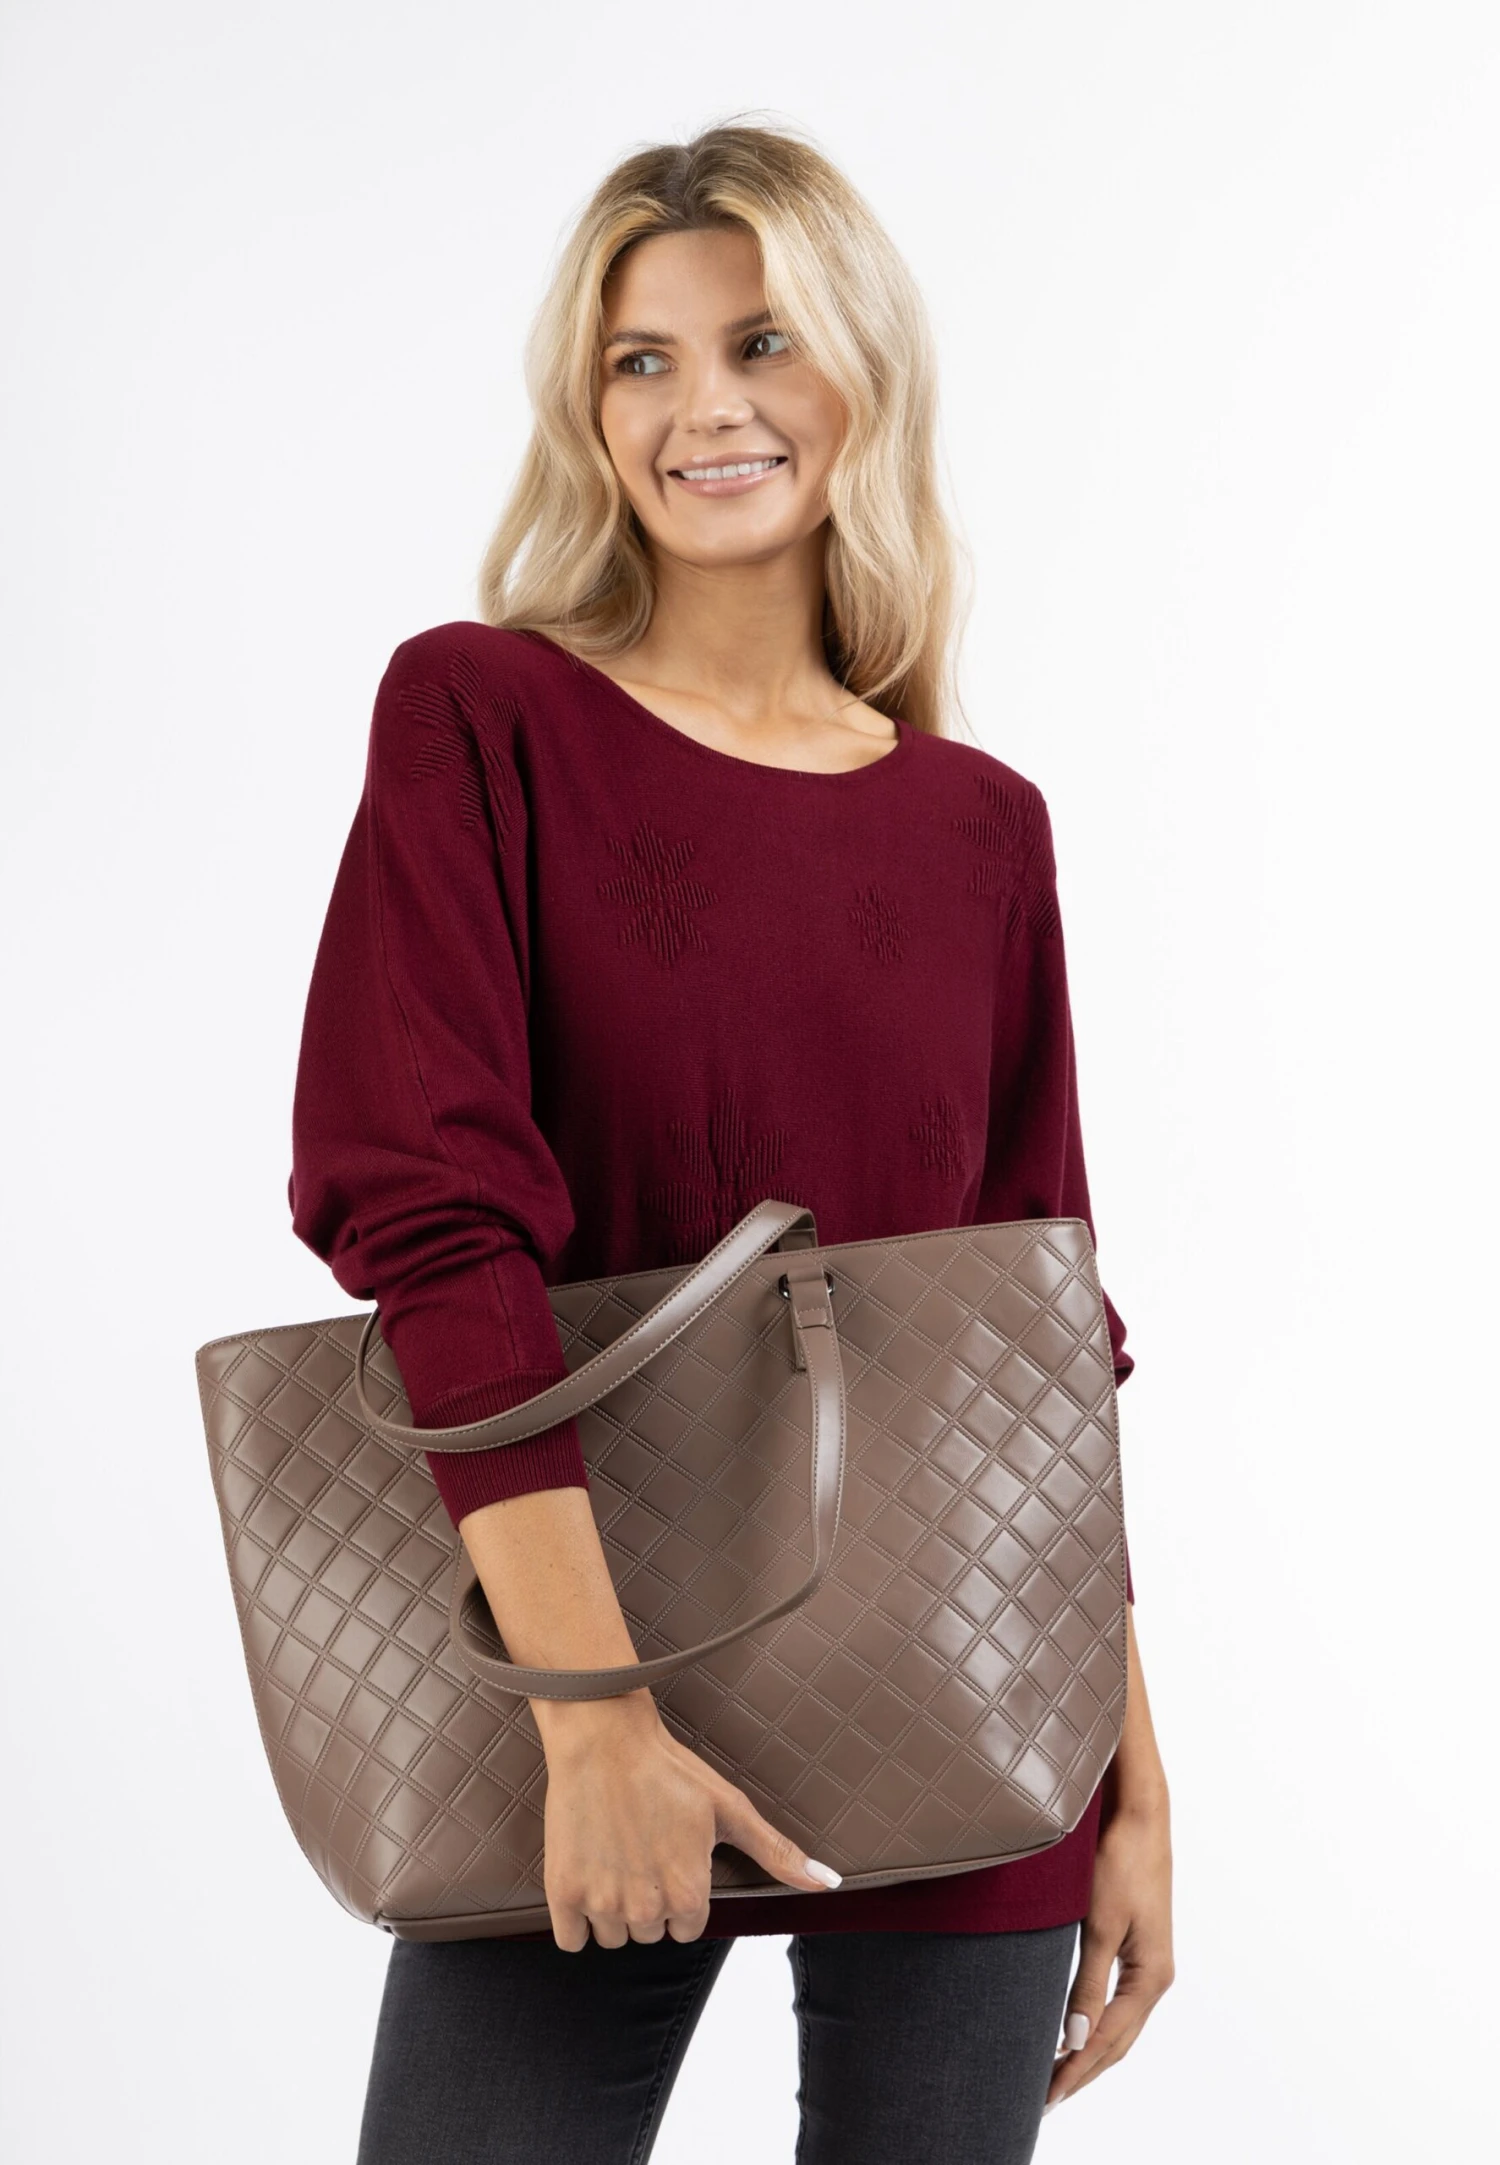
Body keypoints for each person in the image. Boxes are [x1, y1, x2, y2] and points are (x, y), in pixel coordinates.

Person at [288, 118, 1174, 2165]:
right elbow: (430, 1213)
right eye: (643, 360)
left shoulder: (980, 827)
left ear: (862, 368)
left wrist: (1127, 1763)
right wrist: (592, 1718)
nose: (706, 407)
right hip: (582, 1672)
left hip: (965, 1679)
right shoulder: (480, 716)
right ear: (588, 413)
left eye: (761, 340)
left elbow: (1043, 1323)